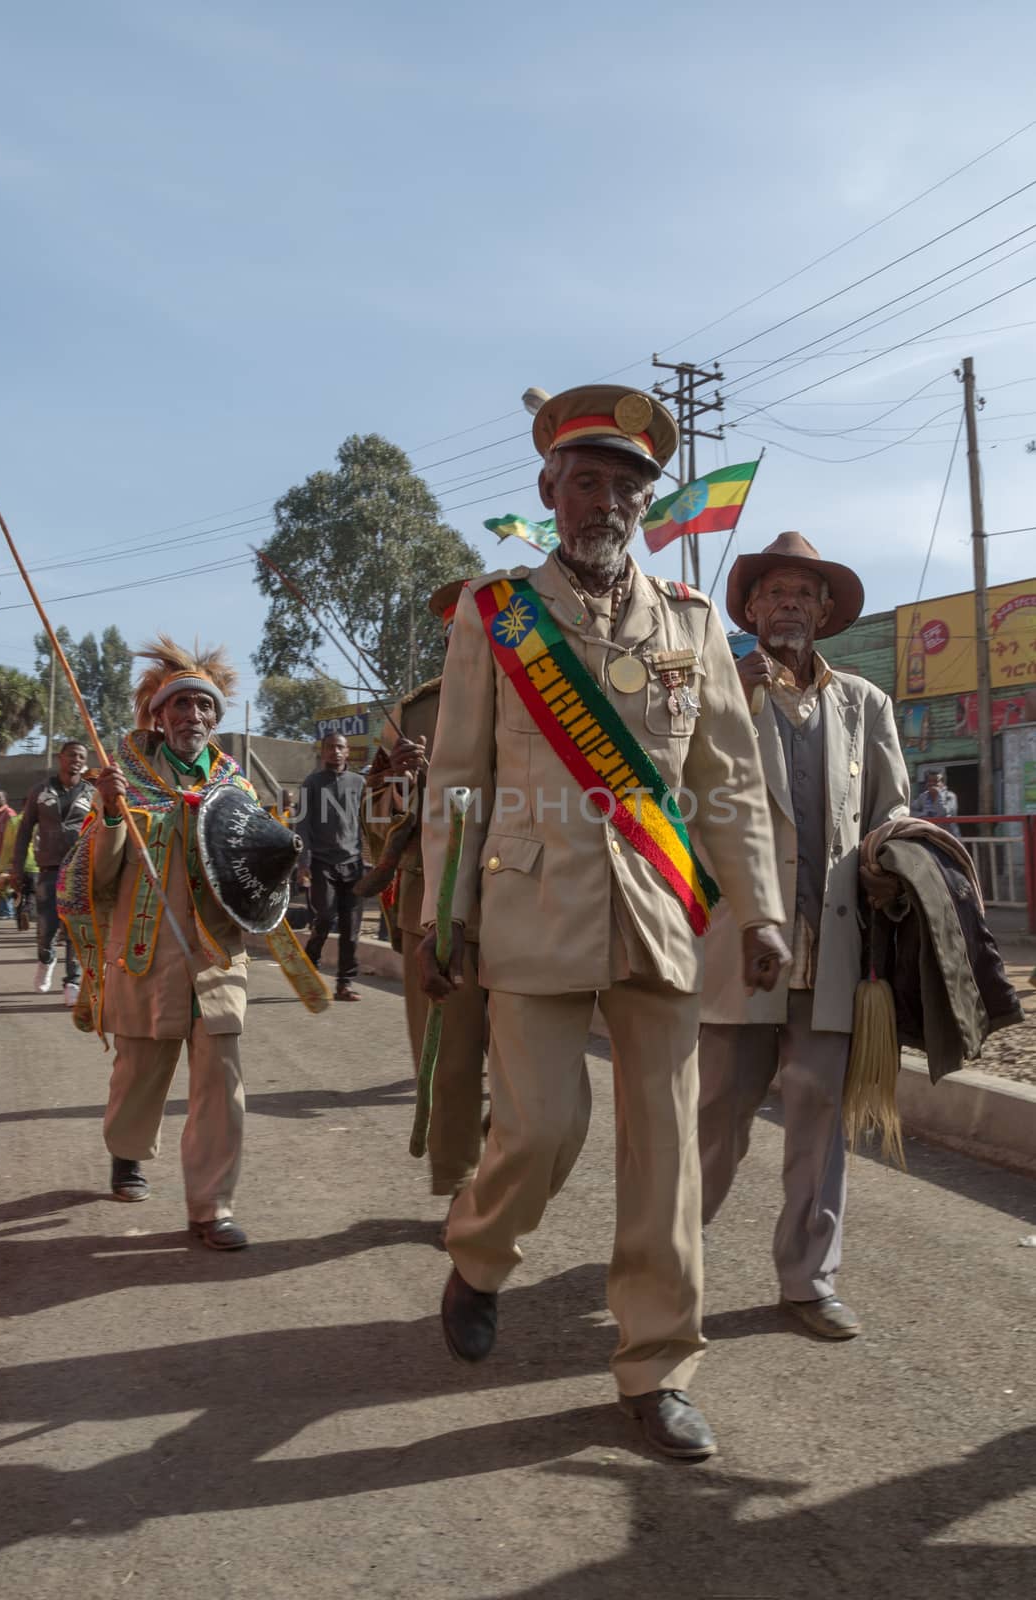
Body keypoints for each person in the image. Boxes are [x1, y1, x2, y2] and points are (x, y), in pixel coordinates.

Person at [418, 383, 788, 1462]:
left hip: (660, 912)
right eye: (587, 480)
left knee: (665, 1150)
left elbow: (728, 774)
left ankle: (656, 1365)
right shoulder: (497, 618)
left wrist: (757, 909)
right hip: (528, 904)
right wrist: (445, 912)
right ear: (548, 489)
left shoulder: (686, 622)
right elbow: (453, 778)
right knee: (540, 1127)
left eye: (626, 483)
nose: (606, 499)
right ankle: (481, 1251)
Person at [698, 532, 910, 1340]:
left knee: (821, 1111)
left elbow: (891, 806)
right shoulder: (716, 691)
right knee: (718, 1113)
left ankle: (807, 1280)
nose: (787, 605)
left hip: (834, 949)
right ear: (748, 610)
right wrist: (725, 698)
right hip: (738, 945)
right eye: (773, 594)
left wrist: (893, 851)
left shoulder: (864, 704)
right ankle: (671, 1260)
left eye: (802, 595)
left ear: (823, 613)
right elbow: (675, 800)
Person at [56, 637, 307, 1250]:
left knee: (221, 1079)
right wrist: (114, 816)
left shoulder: (236, 790)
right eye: (181, 706)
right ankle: (128, 1151)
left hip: (217, 957)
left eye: (203, 707)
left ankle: (211, 1207)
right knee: (140, 1070)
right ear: (158, 716)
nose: (192, 716)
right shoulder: (125, 780)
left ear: (215, 720)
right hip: (145, 952)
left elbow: (254, 869)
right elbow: (97, 876)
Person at [364, 583, 493, 1210]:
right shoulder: (414, 713)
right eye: (457, 631)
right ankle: (462, 1189)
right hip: (433, 903)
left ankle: (502, 1154)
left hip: (528, 898)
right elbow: (375, 827)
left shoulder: (543, 699)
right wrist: (396, 784)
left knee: (534, 1069)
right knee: (449, 1063)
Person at [10, 742, 93, 999]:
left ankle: (73, 982)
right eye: (71, 755)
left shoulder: (92, 793)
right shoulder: (41, 791)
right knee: (46, 928)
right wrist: (16, 867)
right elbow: (24, 831)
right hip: (48, 869)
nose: (76, 760)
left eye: (81, 756)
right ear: (61, 758)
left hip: (80, 871)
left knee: (75, 928)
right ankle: (46, 960)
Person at [296, 732, 365, 1000]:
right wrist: (304, 863)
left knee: (352, 928)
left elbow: (369, 823)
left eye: (340, 747)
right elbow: (301, 825)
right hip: (322, 863)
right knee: (324, 916)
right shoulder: (311, 784)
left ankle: (344, 984)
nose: (335, 752)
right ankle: (311, 960)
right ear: (323, 752)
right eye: (330, 747)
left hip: (354, 863)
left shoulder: (360, 782)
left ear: (347, 752)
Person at [911, 769, 961, 838]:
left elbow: (944, 814)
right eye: (929, 781)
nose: (932, 784)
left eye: (935, 781)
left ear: (943, 783)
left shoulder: (950, 796)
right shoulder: (923, 797)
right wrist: (923, 815)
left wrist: (938, 794)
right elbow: (911, 811)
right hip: (931, 836)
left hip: (949, 837)